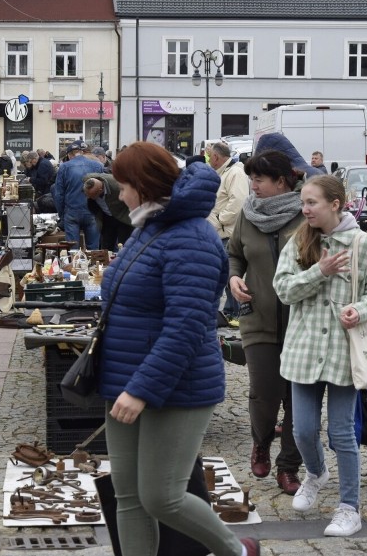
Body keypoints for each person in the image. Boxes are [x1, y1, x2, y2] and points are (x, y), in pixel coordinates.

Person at [98, 141, 260, 556]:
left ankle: (235, 551)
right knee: (129, 495)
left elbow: (187, 327)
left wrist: (141, 390)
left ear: (143, 184)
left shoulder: (192, 237)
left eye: (123, 185)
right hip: (126, 377)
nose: (119, 194)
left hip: (177, 385)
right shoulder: (150, 225)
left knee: (162, 496)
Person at [273, 175, 367, 537]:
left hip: (342, 352)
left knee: (342, 434)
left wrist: (360, 310)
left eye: (312, 203)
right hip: (304, 351)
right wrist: (318, 272)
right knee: (303, 429)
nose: (304, 209)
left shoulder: (363, 245)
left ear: (335, 204)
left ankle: (349, 508)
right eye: (303, 203)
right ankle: (316, 472)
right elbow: (283, 290)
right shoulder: (299, 241)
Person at [226, 150, 305, 495]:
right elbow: (235, 253)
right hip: (257, 316)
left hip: (301, 321)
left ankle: (288, 466)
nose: (253, 185)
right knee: (263, 392)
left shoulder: (306, 214)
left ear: (281, 181)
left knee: (297, 398)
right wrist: (233, 278)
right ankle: (261, 443)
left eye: (259, 179)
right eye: (251, 178)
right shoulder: (248, 213)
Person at [206, 140, 250, 318]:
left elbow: (238, 202)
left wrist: (218, 220)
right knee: (226, 274)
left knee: (230, 273)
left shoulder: (235, 173)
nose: (208, 160)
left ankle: (235, 311)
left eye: (209, 156)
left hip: (228, 232)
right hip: (222, 231)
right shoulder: (225, 172)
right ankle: (231, 311)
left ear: (216, 157)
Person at [53, 140, 103, 249]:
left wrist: (62, 214)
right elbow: (103, 190)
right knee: (93, 249)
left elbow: (58, 194)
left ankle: (74, 265)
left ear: (70, 155)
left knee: (73, 249)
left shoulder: (64, 167)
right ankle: (95, 264)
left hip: (71, 211)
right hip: (92, 211)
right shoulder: (97, 165)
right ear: (82, 152)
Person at [83, 174, 133, 249]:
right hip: (107, 217)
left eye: (93, 196)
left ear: (100, 190)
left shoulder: (117, 186)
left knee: (124, 245)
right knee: (106, 245)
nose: (90, 198)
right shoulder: (89, 181)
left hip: (122, 216)